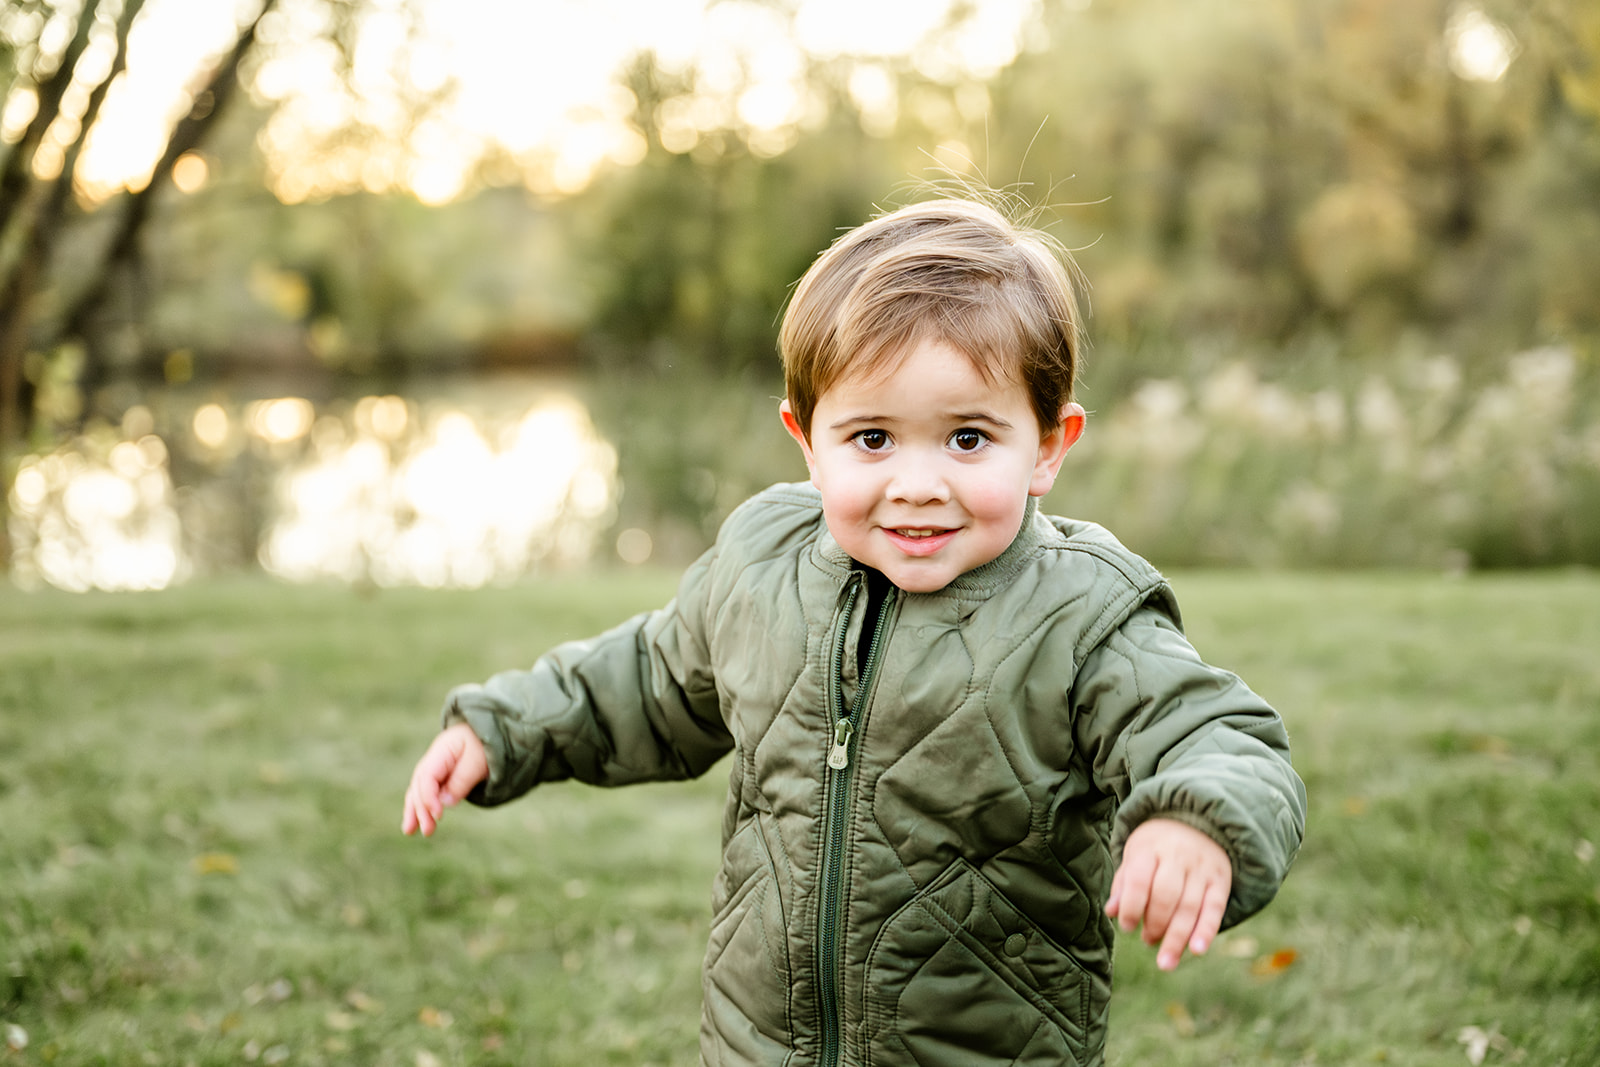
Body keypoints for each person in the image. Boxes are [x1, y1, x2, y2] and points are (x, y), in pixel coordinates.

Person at [402, 196, 1306, 1066]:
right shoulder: (761, 564)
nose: (916, 482)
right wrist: (504, 728)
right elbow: (650, 678)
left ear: (1048, 444)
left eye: (967, 439)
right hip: (762, 1043)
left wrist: (1197, 818)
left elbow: (1215, 733)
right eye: (872, 438)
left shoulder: (1082, 613)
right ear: (808, 439)